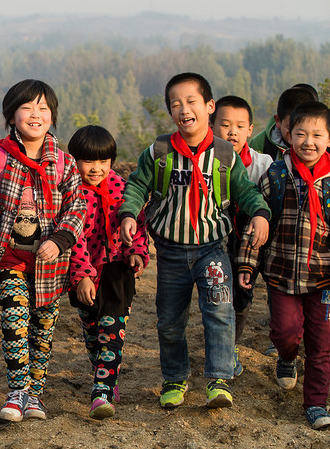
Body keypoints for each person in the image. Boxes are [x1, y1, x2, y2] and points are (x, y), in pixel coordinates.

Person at [119, 72, 270, 410]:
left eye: (191, 101)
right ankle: (174, 378)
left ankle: (218, 379)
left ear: (209, 107)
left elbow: (245, 190)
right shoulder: (159, 151)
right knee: (170, 320)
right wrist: (129, 213)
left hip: (213, 249)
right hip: (170, 252)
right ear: (170, 113)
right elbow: (137, 185)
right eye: (175, 104)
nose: (184, 109)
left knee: (219, 311)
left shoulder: (225, 154)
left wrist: (260, 213)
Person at [0, 79, 85, 424]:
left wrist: (61, 239)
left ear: (52, 116)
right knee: (15, 321)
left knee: (43, 330)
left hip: (50, 264)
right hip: (9, 259)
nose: (35, 115)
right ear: (11, 116)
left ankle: (35, 394)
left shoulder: (64, 163)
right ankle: (17, 391)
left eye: (43, 109)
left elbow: (77, 208)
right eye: (26, 108)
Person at [238, 101, 330, 430]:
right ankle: (287, 358)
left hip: (323, 281)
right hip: (281, 275)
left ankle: (317, 403)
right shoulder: (276, 175)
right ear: (288, 135)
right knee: (285, 333)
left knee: (322, 344)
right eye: (301, 133)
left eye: (317, 134)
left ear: (329, 139)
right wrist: (247, 265)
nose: (309, 141)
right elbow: (257, 221)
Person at [67, 125, 148, 420]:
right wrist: (83, 275)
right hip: (83, 271)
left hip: (117, 269)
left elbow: (136, 223)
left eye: (103, 161)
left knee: (112, 331)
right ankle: (102, 373)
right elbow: (71, 238)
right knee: (92, 331)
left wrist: (137, 253)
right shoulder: (70, 193)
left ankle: (102, 391)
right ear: (73, 160)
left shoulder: (122, 188)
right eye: (88, 161)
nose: (96, 168)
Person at [210, 95, 274, 371]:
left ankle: (232, 345)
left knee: (243, 292)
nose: (232, 131)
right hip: (214, 236)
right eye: (225, 125)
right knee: (217, 293)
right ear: (212, 125)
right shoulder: (205, 159)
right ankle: (221, 346)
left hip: (250, 240)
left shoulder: (263, 164)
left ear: (251, 130)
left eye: (239, 125)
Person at [250, 86, 317, 160]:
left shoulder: (322, 145)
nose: (294, 134)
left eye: (302, 131)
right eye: (290, 127)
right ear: (278, 120)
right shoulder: (259, 144)